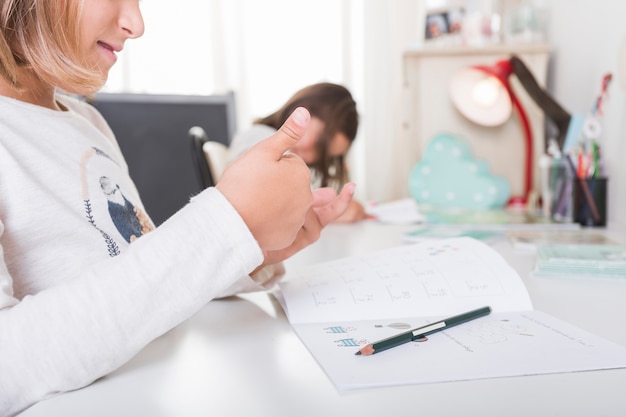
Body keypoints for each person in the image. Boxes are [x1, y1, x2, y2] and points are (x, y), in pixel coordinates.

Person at [0, 1, 355, 415]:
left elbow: (138, 273)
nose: (136, 24)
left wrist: (248, 244)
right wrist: (222, 227)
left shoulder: (87, 123)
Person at [229, 82, 371, 223]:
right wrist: (326, 210)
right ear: (303, 111)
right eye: (318, 147)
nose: (310, 158)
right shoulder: (258, 137)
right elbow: (262, 203)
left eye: (325, 158)